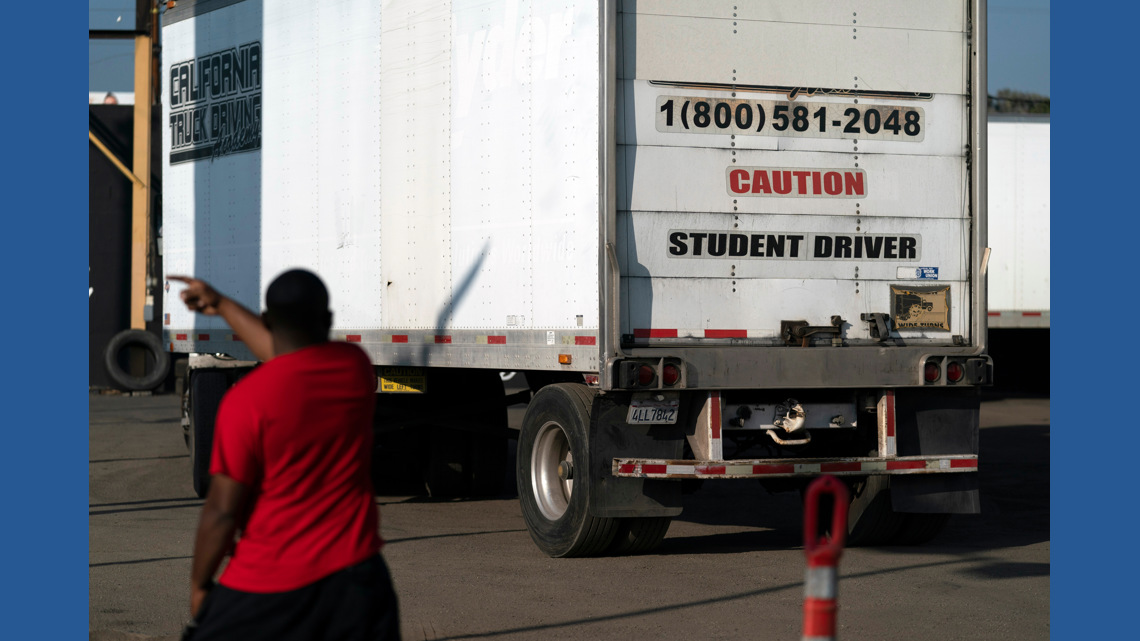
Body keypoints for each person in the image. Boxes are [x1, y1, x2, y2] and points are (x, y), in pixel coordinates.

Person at [170, 270, 400, 641]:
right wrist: (223, 304)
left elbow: (222, 510)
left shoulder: (246, 401)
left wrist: (199, 585)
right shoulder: (353, 366)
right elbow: (288, 355)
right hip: (357, 579)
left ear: (268, 321)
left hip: (266, 586)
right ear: (327, 320)